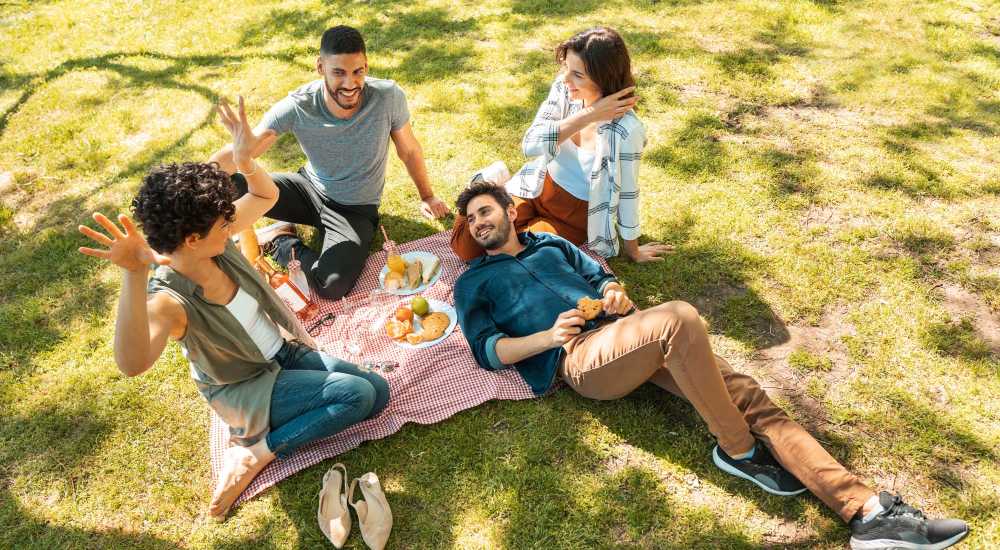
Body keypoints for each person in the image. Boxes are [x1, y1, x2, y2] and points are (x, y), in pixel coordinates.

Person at [451, 182, 969, 550]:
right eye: (472, 220)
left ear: (509, 211)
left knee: (749, 395)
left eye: (485, 210)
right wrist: (546, 336)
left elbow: (601, 276)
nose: (479, 223)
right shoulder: (473, 283)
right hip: (581, 360)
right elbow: (488, 351)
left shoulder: (552, 243)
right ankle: (738, 450)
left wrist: (610, 290)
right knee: (678, 318)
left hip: (627, 332)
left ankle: (867, 512)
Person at [77, 97, 389, 520]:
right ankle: (258, 450)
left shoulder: (211, 244)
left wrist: (244, 160)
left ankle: (270, 430)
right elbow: (131, 363)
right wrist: (133, 274)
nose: (233, 227)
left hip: (283, 353)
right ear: (191, 239)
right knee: (354, 395)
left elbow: (265, 192)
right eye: (223, 225)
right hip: (246, 386)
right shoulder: (169, 299)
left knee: (379, 394)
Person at [210, 25, 450, 300]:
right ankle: (257, 233)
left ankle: (282, 241)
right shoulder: (299, 105)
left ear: (366, 65)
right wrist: (194, 184)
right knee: (225, 184)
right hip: (308, 189)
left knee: (331, 285)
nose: (350, 84)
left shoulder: (387, 98)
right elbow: (248, 150)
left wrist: (428, 196)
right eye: (339, 72)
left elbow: (408, 150)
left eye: (357, 71)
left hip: (354, 210)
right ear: (320, 67)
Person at [451, 27, 672, 263]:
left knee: (518, 257)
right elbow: (530, 144)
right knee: (466, 246)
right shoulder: (565, 89)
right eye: (566, 67)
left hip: (572, 215)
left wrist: (633, 250)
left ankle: (496, 198)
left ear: (603, 77)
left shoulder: (627, 130)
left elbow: (628, 193)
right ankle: (486, 184)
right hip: (536, 185)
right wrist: (589, 114)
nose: (566, 79)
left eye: (577, 74)